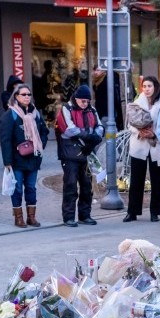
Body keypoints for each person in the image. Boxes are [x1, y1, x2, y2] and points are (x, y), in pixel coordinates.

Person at [0, 83, 50, 228]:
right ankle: (18, 218)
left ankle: (31, 217)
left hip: (33, 157)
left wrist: (40, 145)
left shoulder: (35, 113)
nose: (27, 97)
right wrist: (7, 161)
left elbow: (44, 131)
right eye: (23, 94)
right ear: (16, 96)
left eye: (29, 94)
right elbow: (5, 140)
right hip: (17, 159)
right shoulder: (10, 115)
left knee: (31, 187)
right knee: (17, 189)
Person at [55, 84, 103, 227]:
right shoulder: (66, 109)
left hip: (87, 153)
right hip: (70, 154)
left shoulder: (92, 110)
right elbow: (68, 129)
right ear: (76, 99)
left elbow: (100, 126)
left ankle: (85, 215)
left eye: (87, 101)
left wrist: (95, 138)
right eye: (83, 101)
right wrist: (89, 137)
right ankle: (68, 217)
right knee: (70, 185)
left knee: (87, 186)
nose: (85, 103)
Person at [125, 75, 160, 223]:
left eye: (150, 86)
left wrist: (154, 134)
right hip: (139, 145)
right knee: (136, 179)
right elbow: (130, 124)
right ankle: (132, 212)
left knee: (157, 180)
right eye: (144, 86)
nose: (147, 89)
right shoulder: (137, 102)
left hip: (156, 145)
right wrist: (139, 132)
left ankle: (155, 211)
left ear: (155, 87)